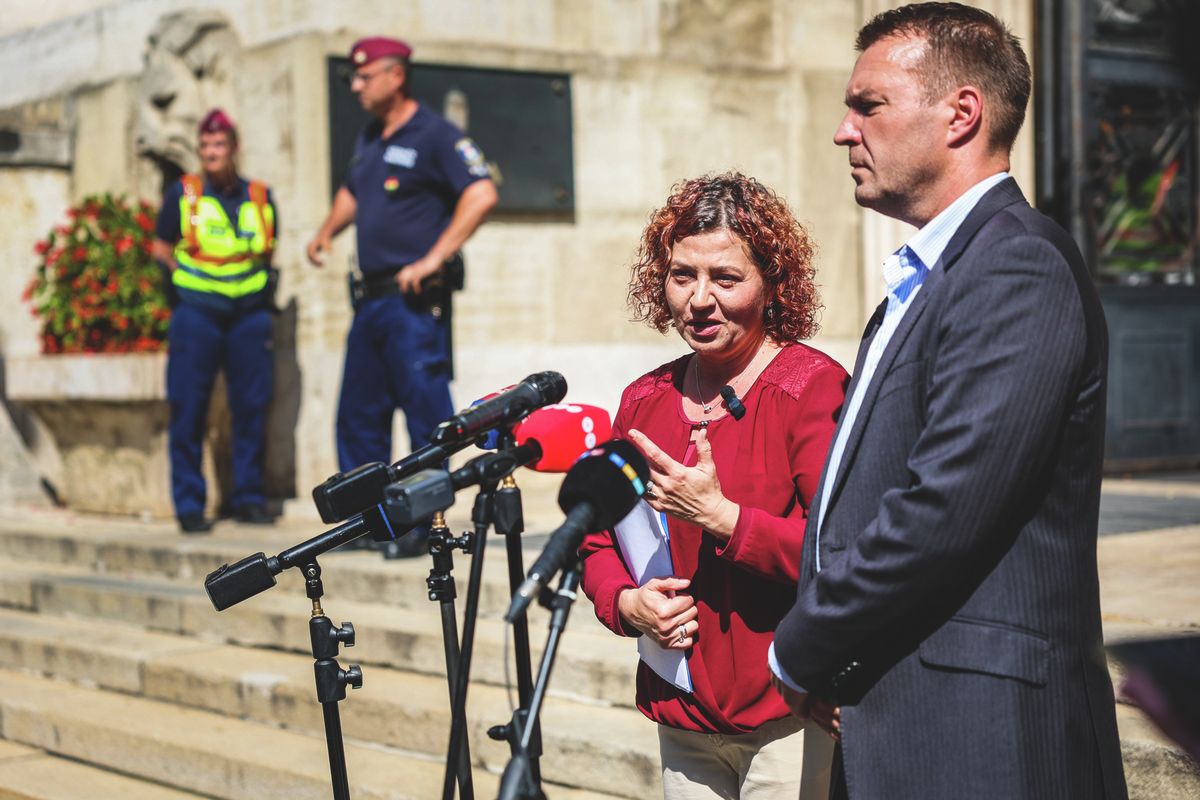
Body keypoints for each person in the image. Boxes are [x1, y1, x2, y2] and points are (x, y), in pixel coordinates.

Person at [768, 5, 1129, 799]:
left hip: (981, 732)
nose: (842, 131)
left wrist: (801, 645)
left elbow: (945, 505)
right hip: (902, 714)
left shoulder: (1016, 267)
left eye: (869, 106)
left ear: (961, 114)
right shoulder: (933, 272)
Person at [580, 173, 848, 799]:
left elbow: (841, 552)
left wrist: (725, 518)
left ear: (772, 284)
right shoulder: (644, 401)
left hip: (788, 711)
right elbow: (595, 540)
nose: (699, 300)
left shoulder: (811, 388)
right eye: (682, 276)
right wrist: (625, 604)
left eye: (726, 278)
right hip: (682, 710)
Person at [306, 36, 498, 558]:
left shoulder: (435, 134)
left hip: (415, 305)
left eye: (365, 76)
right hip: (370, 303)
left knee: (425, 417)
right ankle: (365, 525)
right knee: (359, 415)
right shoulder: (370, 136)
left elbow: (481, 193)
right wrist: (326, 231)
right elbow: (353, 190)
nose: (355, 85)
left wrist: (434, 257)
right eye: (353, 76)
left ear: (396, 76)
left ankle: (422, 524)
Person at [153, 108, 277, 533]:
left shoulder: (259, 195)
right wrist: (181, 288)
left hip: (249, 314)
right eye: (205, 146)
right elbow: (161, 247)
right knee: (188, 407)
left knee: (252, 407)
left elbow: (267, 249)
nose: (211, 153)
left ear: (234, 149)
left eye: (218, 145)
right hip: (197, 313)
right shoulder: (183, 194)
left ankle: (249, 498)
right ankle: (189, 505)